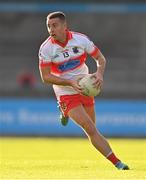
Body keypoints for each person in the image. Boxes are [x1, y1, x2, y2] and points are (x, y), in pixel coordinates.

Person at [39, 11, 129, 170]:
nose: (51, 29)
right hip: (65, 91)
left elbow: (101, 59)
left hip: (85, 88)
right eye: (48, 26)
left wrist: (99, 74)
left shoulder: (81, 40)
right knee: (89, 127)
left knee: (93, 127)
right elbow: (45, 77)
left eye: (54, 25)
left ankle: (64, 111)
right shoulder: (46, 49)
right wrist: (69, 82)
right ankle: (118, 163)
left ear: (64, 26)